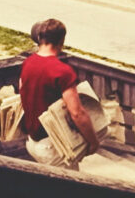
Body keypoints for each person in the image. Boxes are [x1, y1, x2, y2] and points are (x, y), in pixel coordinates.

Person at [19, 19, 100, 169]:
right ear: (61, 40)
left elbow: (23, 93)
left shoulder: (27, 63)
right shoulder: (62, 71)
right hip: (53, 146)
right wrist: (94, 142)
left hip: (32, 142)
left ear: (40, 38)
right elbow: (77, 113)